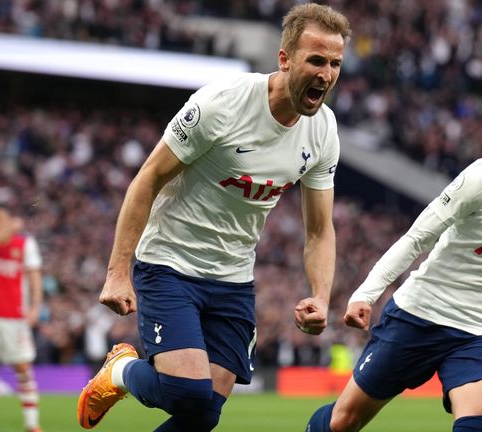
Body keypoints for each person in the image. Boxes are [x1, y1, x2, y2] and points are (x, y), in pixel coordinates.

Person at [76, 3, 351, 431]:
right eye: (316, 60)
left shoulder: (324, 131)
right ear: (284, 59)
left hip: (233, 278)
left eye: (335, 63)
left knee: (202, 414)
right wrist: (117, 271)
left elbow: (319, 229)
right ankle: (120, 372)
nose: (326, 74)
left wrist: (321, 295)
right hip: (170, 262)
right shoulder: (222, 104)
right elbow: (147, 179)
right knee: (187, 392)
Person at [306, 80, 482, 432]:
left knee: (478, 423)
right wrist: (367, 293)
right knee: (343, 422)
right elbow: (417, 238)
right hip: (421, 314)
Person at [0, 203, 44, 432]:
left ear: (8, 218)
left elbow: (34, 278)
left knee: (23, 367)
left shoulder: (25, 244)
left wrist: (35, 308)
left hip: (16, 316)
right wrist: (6, 230)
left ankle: (32, 424)